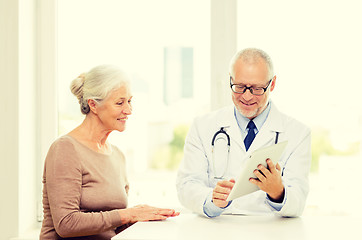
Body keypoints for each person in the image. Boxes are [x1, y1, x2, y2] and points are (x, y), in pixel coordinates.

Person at [40, 65, 179, 239]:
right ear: (93, 105)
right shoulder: (66, 149)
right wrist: (129, 214)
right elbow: (66, 224)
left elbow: (112, 225)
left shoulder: (117, 156)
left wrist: (146, 217)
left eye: (129, 101)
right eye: (120, 103)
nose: (128, 110)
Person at [176, 48, 311, 218]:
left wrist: (278, 192)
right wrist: (211, 200)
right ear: (230, 80)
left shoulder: (297, 133)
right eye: (239, 87)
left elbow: (298, 201)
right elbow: (186, 185)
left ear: (273, 84)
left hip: (270, 232)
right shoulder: (202, 126)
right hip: (216, 230)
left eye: (256, 88)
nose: (247, 97)